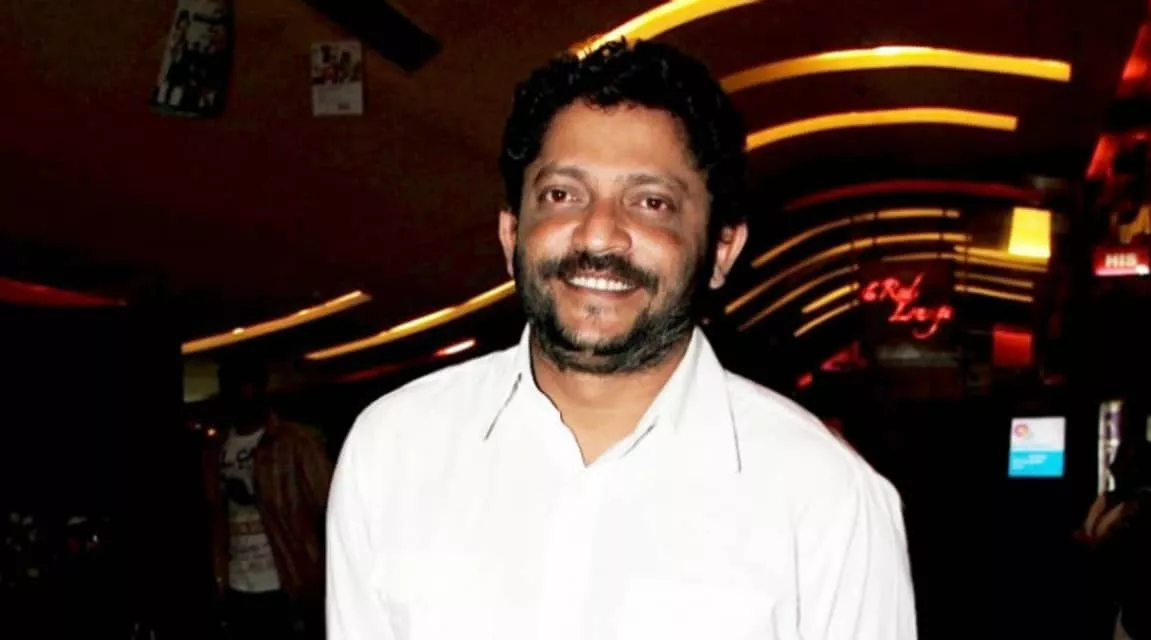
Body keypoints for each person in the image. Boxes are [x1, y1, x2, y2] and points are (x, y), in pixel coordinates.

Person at [328, 40, 916, 640]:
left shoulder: (827, 497)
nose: (599, 235)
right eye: (562, 195)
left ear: (722, 249)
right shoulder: (394, 450)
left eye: (651, 202)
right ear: (510, 234)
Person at [205, 359, 332, 639]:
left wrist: (253, 496)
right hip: (238, 581)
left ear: (261, 389)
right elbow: (215, 519)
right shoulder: (215, 450)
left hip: (287, 579)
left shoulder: (294, 442)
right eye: (231, 389)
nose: (240, 396)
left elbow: (327, 505)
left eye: (246, 387)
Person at [1077, 439, 1151, 639]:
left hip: (1131, 610)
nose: (1113, 468)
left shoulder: (1142, 506)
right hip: (1106, 605)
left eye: (1124, 462)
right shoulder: (1107, 501)